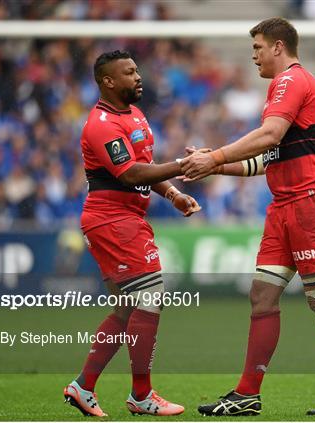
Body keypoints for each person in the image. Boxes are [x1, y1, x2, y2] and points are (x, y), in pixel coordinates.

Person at [181, 18, 315, 416]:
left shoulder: (291, 81)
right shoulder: (281, 90)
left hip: (312, 202)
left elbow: (268, 136)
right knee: (262, 295)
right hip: (284, 206)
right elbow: (268, 158)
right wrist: (213, 167)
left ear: (278, 47)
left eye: (258, 48)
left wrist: (214, 156)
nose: (254, 56)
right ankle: (248, 393)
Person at [63, 50, 201, 417]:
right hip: (112, 221)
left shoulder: (136, 115)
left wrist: (172, 193)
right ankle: (142, 395)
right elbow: (130, 175)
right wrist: (185, 165)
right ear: (108, 81)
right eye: (129, 73)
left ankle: (83, 386)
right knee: (151, 296)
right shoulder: (101, 124)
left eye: (137, 70)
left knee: (127, 309)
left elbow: (145, 167)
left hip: (125, 218)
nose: (138, 77)